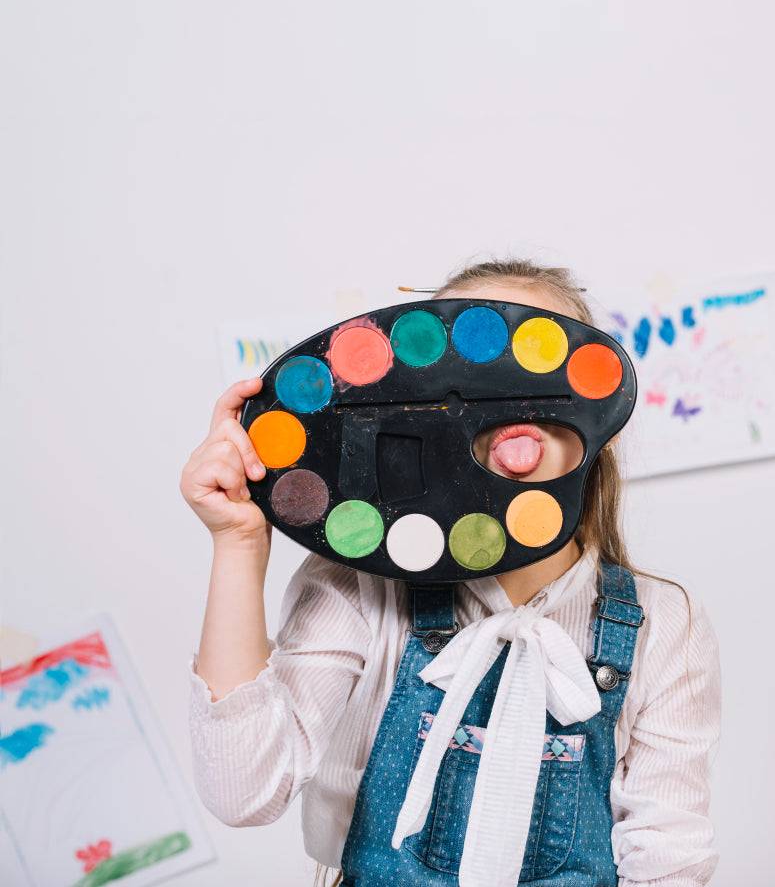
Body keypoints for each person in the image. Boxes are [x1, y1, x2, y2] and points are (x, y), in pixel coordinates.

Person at [182, 257, 722, 887]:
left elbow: (670, 859)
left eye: (537, 362)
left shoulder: (662, 623)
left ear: (596, 420)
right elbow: (242, 792)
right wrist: (239, 545)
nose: (501, 408)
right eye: (462, 374)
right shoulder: (361, 587)